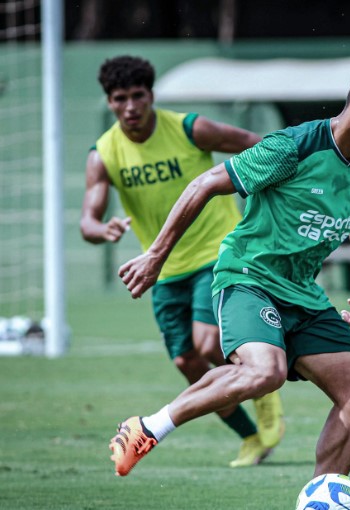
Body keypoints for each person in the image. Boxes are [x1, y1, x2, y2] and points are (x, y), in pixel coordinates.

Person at [107, 58, 350, 478]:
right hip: (248, 278)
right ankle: (147, 428)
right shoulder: (292, 147)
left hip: (303, 292)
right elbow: (203, 184)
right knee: (264, 372)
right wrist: (155, 256)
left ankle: (320, 502)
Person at [81, 55, 285, 469]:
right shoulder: (103, 154)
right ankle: (250, 436)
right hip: (164, 268)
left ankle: (261, 386)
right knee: (185, 360)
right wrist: (101, 230)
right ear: (110, 102)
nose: (131, 106)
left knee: (209, 342)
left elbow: (259, 144)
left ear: (151, 95)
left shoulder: (191, 129)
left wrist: (268, 195)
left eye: (139, 96)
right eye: (121, 98)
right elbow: (88, 218)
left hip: (218, 253)